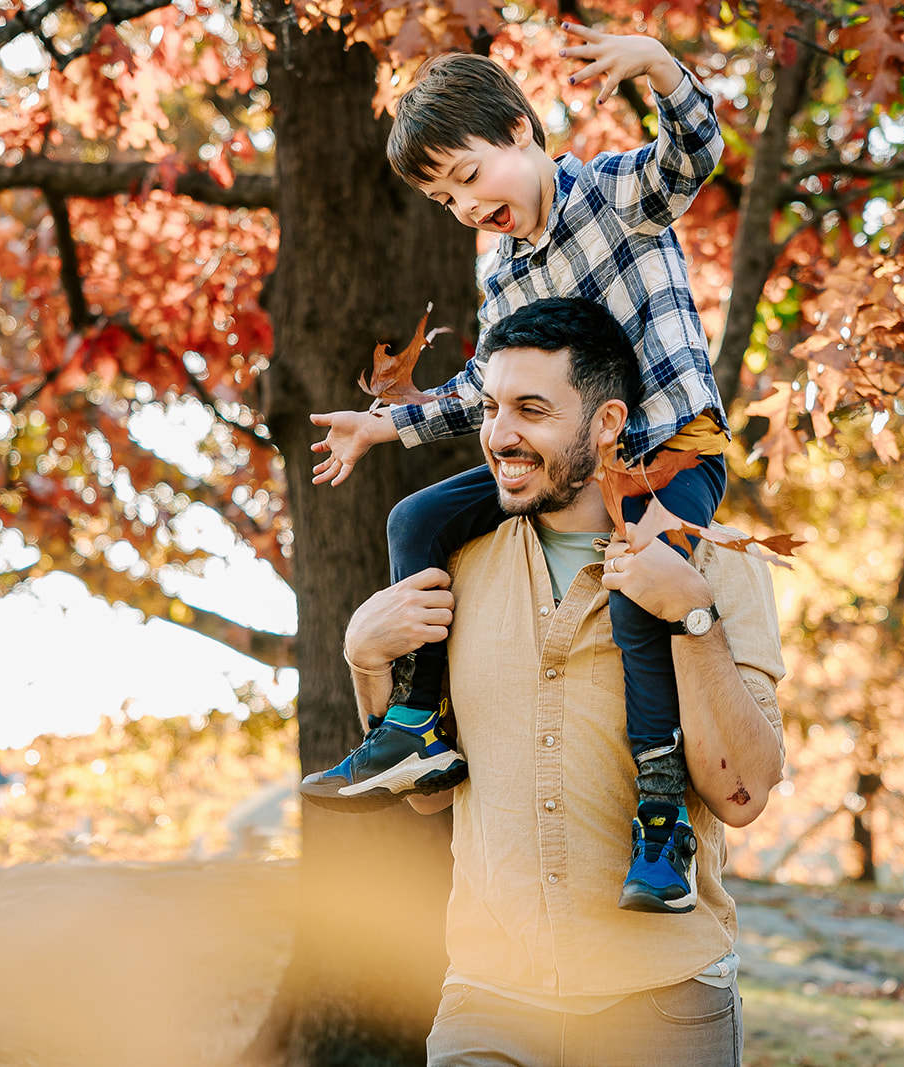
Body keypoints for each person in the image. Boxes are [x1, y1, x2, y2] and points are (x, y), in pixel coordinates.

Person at [303, 25, 729, 912]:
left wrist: (654, 64)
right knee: (412, 521)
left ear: (521, 133)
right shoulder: (503, 278)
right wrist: (385, 429)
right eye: (443, 199)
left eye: (468, 176)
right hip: (567, 463)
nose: (463, 206)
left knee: (637, 589)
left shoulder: (614, 195)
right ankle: (416, 724)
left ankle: (661, 822)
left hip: (663, 451)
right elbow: (484, 389)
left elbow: (691, 154)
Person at [341, 300, 785, 1066]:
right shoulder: (455, 567)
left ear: (608, 421)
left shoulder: (716, 561)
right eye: (491, 408)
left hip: (661, 1001)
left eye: (533, 410)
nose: (500, 434)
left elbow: (743, 794)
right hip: (488, 998)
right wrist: (365, 661)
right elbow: (427, 792)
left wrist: (691, 617)